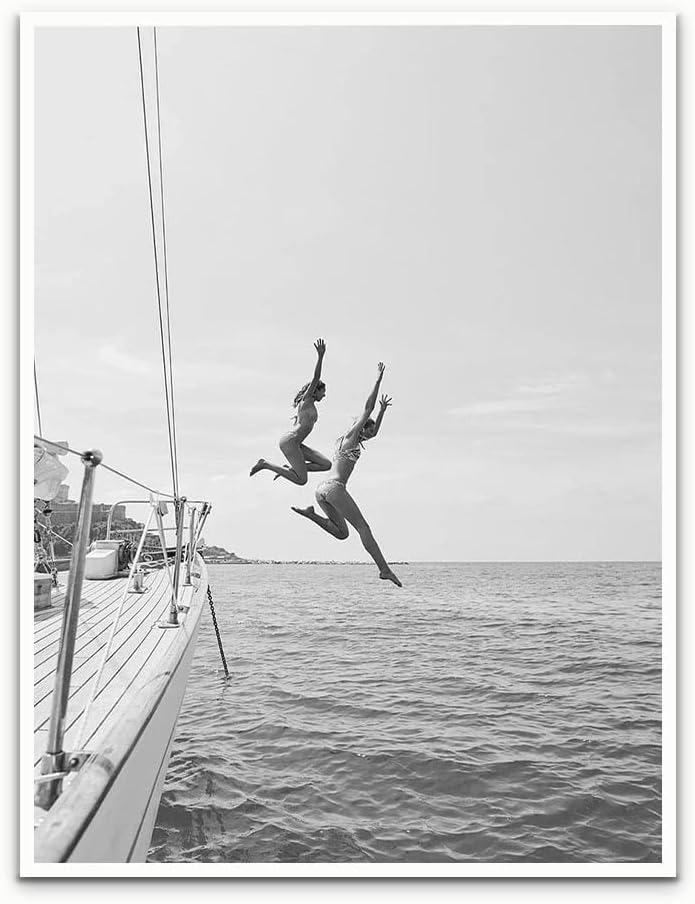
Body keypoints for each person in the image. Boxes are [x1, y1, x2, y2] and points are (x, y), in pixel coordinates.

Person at [292, 362, 402, 587]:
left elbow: (376, 429)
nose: (370, 434)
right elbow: (367, 408)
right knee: (364, 528)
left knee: (343, 534)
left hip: (322, 490)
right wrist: (378, 380)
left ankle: (311, 514)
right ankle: (384, 569)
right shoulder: (352, 436)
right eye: (368, 430)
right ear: (362, 428)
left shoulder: (348, 441)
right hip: (335, 488)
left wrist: (382, 412)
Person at [250, 338, 331, 485]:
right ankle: (265, 464)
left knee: (326, 464)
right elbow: (316, 377)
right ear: (315, 391)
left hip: (297, 443)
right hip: (290, 442)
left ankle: (292, 468)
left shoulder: (310, 404)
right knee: (302, 480)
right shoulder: (306, 400)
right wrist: (320, 357)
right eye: (322, 392)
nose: (324, 395)